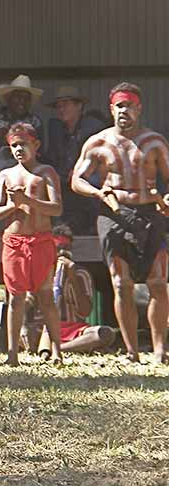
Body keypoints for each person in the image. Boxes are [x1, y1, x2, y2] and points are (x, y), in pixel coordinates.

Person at [72, 83, 169, 364]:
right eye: (119, 106)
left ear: (139, 109)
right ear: (111, 109)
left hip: (151, 214)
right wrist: (98, 192)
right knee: (121, 283)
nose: (124, 111)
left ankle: (160, 349)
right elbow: (76, 179)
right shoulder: (98, 142)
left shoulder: (154, 142)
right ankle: (132, 351)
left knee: (158, 283)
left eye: (129, 105)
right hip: (114, 216)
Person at [0, 123, 63, 366]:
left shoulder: (46, 173)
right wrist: (14, 205)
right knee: (16, 297)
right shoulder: (5, 175)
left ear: (36, 145)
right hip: (14, 243)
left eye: (23, 144)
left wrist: (28, 200)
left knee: (45, 296)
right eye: (14, 145)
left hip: (41, 241)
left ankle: (57, 351)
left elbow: (57, 208)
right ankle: (12, 354)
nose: (19, 149)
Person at [27, 225, 115, 356]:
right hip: (44, 328)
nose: (62, 252)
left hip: (74, 329)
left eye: (66, 248)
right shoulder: (39, 271)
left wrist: (73, 277)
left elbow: (85, 311)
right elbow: (27, 302)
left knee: (105, 334)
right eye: (58, 249)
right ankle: (68, 347)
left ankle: (59, 348)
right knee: (26, 333)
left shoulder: (81, 274)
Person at [44, 86, 104, 234]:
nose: (61, 109)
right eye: (58, 106)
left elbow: (101, 158)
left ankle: (95, 227)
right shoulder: (56, 129)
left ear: (79, 106)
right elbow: (51, 158)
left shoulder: (93, 127)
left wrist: (78, 171)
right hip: (64, 181)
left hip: (90, 177)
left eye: (65, 104)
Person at [0, 74, 44, 189]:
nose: (22, 102)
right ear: (8, 98)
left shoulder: (35, 122)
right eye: (18, 97)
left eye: (26, 99)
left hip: (23, 162)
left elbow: (42, 149)